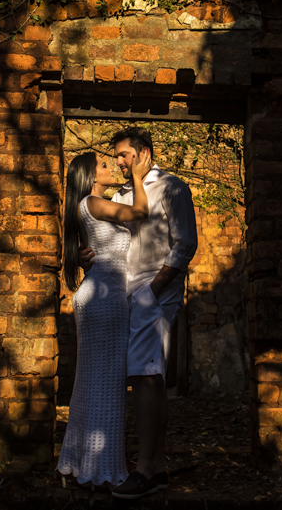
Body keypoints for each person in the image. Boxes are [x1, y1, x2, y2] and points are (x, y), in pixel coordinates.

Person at [107, 127, 198, 500]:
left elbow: (185, 245)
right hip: (125, 291)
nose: (118, 162)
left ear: (143, 153)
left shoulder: (172, 187)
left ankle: (143, 471)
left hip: (154, 290)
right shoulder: (120, 195)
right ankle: (156, 467)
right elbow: (114, 243)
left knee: (144, 376)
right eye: (115, 156)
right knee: (151, 379)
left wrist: (153, 289)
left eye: (123, 155)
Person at [56, 147, 152, 488]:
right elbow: (140, 211)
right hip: (104, 300)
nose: (110, 165)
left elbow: (97, 249)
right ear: (91, 176)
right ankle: (104, 468)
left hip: (100, 295)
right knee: (108, 384)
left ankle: (83, 461)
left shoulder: (89, 206)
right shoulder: (93, 202)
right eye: (102, 163)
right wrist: (139, 177)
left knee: (92, 383)